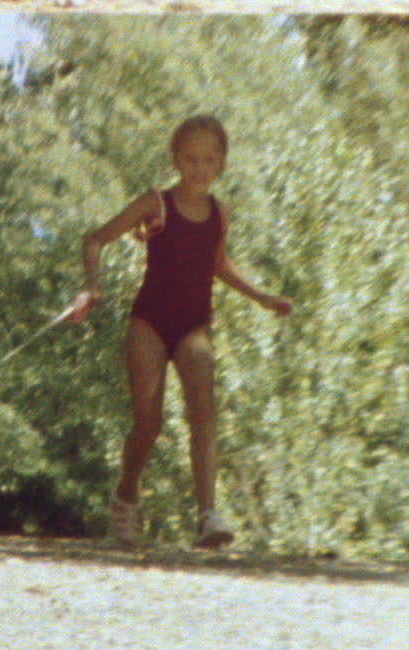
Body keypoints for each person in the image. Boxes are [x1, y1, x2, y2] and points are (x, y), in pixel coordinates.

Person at [67, 115, 292, 549]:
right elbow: (94, 240)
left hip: (195, 325)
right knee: (147, 424)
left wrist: (262, 297)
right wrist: (91, 285)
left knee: (204, 410)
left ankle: (207, 514)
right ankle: (126, 496)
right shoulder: (156, 203)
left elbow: (219, 265)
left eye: (210, 159)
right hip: (149, 322)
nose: (200, 168)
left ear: (222, 164)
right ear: (175, 159)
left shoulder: (220, 213)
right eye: (191, 158)